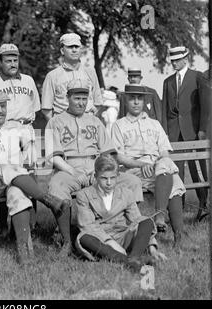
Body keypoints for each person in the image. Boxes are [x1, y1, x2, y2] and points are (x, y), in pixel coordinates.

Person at [0, 89, 71, 264]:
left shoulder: (17, 128)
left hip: (14, 180)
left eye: (3, 106)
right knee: (5, 167)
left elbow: (30, 156)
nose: (0, 110)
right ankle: (48, 200)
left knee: (18, 194)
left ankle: (24, 253)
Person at [45, 79, 144, 237]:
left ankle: (129, 228)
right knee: (56, 185)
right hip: (68, 167)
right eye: (77, 98)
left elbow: (109, 153)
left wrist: (104, 170)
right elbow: (53, 157)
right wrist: (73, 172)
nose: (81, 103)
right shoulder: (55, 122)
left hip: (96, 167)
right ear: (67, 97)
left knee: (132, 182)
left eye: (84, 99)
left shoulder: (95, 121)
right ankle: (66, 238)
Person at [111, 84, 187, 248]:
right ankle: (177, 233)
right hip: (134, 171)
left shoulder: (154, 124)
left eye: (139, 98)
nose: (136, 102)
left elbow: (164, 152)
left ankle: (164, 220)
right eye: (132, 98)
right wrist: (141, 164)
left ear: (144, 100)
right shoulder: (119, 125)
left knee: (167, 168)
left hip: (158, 169)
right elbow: (119, 156)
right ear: (126, 100)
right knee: (174, 180)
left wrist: (156, 165)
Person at [0, 43, 41, 237]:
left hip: (25, 127)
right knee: (5, 174)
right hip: (5, 129)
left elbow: (35, 107)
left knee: (30, 174)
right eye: (8, 60)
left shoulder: (29, 80)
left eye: (15, 59)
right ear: (0, 62)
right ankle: (4, 225)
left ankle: (33, 224)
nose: (12, 63)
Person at [75, 154, 167, 273]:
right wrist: (110, 242)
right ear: (95, 176)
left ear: (117, 176)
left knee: (146, 221)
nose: (109, 183)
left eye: (112, 178)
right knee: (84, 237)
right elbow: (87, 225)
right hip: (100, 239)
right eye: (104, 178)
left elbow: (137, 219)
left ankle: (134, 258)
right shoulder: (84, 195)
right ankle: (127, 261)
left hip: (123, 236)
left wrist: (152, 249)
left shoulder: (126, 193)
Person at [162, 46, 208, 217]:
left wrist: (202, 129)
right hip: (174, 134)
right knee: (176, 171)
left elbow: (205, 106)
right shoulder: (167, 82)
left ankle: (203, 206)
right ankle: (177, 209)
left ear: (185, 59)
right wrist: (164, 133)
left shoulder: (197, 77)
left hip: (194, 132)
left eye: (177, 59)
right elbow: (165, 110)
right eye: (172, 60)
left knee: (198, 170)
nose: (173, 63)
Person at [41, 33, 103, 121]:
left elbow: (98, 102)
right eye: (70, 47)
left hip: (86, 123)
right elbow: (46, 109)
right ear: (62, 50)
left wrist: (90, 119)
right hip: (63, 124)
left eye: (77, 47)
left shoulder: (90, 73)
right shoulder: (52, 76)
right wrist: (55, 126)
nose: (74, 50)